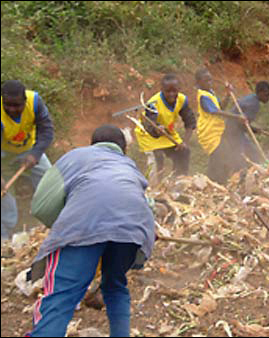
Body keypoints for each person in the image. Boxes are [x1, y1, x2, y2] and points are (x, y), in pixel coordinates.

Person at [27, 125, 155, 337]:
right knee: (115, 285)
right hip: (132, 231)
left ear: (92, 144)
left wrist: (67, 226)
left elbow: (41, 207)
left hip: (83, 226)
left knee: (62, 295)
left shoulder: (75, 156)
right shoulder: (129, 166)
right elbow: (144, 206)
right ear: (123, 149)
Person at [1, 80, 54, 241]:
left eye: (16, 105)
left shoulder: (35, 102)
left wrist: (36, 154)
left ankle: (53, 225)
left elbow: (46, 131)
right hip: (3, 157)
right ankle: (4, 241)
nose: (11, 109)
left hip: (29, 152)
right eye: (7, 105)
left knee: (50, 183)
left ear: (24, 100)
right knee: (4, 197)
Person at [135, 74, 197, 179]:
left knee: (183, 151)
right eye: (168, 91)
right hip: (149, 135)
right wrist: (157, 128)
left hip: (167, 133)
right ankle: (154, 187)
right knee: (157, 157)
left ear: (179, 89)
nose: (171, 94)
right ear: (162, 90)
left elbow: (190, 122)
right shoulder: (153, 103)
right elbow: (150, 124)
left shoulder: (181, 100)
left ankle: (178, 181)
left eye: (175, 91)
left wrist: (184, 142)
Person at [195, 68, 245, 184]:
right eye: (206, 81)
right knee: (220, 156)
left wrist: (228, 95)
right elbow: (215, 111)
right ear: (198, 82)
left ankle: (215, 183)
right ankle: (213, 183)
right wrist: (236, 117)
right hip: (209, 133)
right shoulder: (203, 96)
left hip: (216, 132)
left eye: (210, 80)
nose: (209, 83)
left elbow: (220, 106)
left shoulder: (210, 93)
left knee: (221, 157)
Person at [222, 81, 269, 175]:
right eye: (267, 95)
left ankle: (259, 171)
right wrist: (255, 130)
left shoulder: (252, 98)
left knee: (253, 152)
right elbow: (243, 124)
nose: (268, 97)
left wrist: (255, 129)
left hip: (234, 129)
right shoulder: (254, 104)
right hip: (233, 131)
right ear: (260, 93)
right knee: (240, 157)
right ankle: (237, 177)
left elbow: (243, 123)